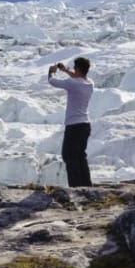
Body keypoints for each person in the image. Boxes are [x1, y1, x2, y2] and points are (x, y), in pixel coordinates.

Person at [47, 56, 94, 187]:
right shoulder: (89, 83)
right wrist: (65, 70)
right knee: (80, 156)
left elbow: (53, 81)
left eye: (74, 68)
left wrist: (51, 71)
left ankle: (75, 186)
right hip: (85, 124)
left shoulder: (72, 83)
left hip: (74, 125)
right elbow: (77, 77)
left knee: (69, 156)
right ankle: (86, 184)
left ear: (77, 68)